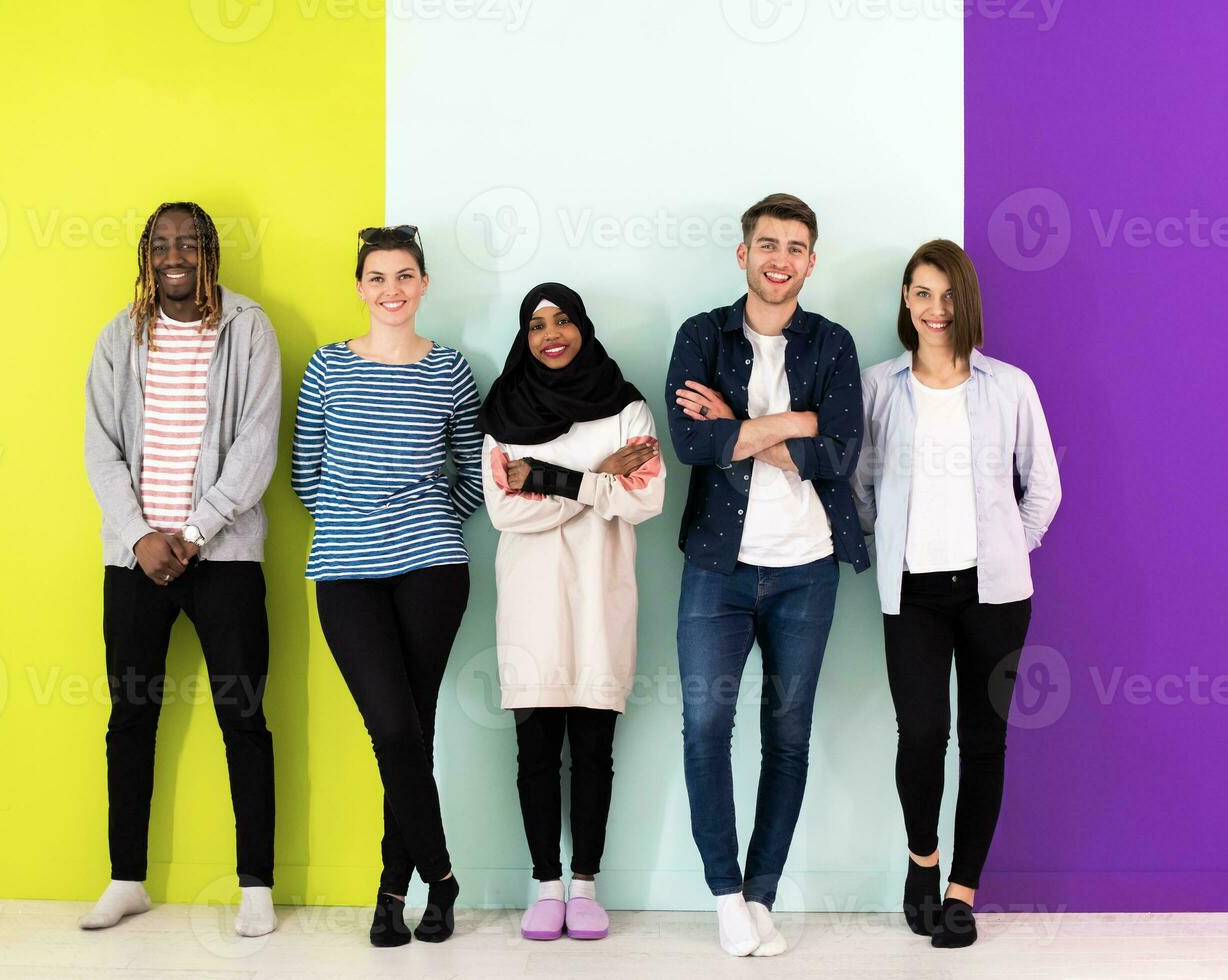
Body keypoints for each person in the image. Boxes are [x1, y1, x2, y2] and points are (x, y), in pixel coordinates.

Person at [664, 193, 868, 956]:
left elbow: (842, 452)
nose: (781, 259)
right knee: (707, 726)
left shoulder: (833, 343)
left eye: (796, 247)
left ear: (811, 261)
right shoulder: (701, 335)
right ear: (743, 253)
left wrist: (746, 427)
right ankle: (724, 894)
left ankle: (762, 893)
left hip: (807, 571)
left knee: (787, 734)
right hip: (718, 569)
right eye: (768, 244)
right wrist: (799, 421)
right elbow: (692, 442)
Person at [80, 201, 281, 937]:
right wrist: (139, 535)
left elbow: (257, 443)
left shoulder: (248, 327)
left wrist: (194, 531)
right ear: (145, 253)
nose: (175, 255)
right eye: (162, 243)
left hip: (222, 556)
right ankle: (125, 878)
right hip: (134, 560)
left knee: (245, 718)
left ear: (209, 253)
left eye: (188, 243)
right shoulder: (117, 336)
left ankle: (255, 885)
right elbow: (100, 447)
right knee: (130, 717)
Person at [854, 239, 1061, 948]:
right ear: (905, 302)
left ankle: (963, 890)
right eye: (921, 293)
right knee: (921, 734)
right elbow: (859, 488)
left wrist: (1005, 551)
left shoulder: (1009, 386)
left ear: (965, 301)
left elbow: (1044, 487)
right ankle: (922, 863)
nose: (934, 309)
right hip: (911, 593)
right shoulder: (879, 386)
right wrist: (893, 548)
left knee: (984, 740)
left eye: (946, 295)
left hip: (994, 597)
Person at [290, 225, 484, 946]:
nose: (392, 290)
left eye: (405, 276)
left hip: (432, 568)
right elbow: (304, 475)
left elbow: (473, 473)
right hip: (346, 570)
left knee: (414, 731)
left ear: (424, 284)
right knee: (394, 729)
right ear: (360, 287)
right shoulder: (327, 369)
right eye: (377, 277)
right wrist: (356, 524)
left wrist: (433, 521)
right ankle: (440, 877)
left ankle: (389, 896)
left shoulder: (450, 370)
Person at [477, 282, 665, 942]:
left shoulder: (627, 406)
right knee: (534, 751)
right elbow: (504, 510)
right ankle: (544, 885)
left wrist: (551, 478)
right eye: (535, 323)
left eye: (562, 320)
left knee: (593, 751)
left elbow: (645, 501)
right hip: (530, 603)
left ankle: (585, 885)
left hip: (600, 598)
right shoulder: (503, 410)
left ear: (583, 326)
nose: (550, 333)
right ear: (523, 337)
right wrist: (600, 479)